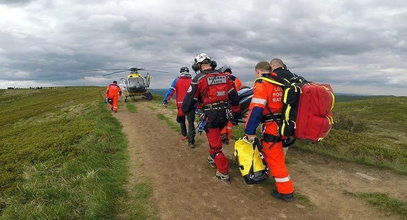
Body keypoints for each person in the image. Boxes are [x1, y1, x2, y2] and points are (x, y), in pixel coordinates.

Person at [182, 53, 241, 183]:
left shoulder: (198, 79)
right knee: (214, 136)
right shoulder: (225, 77)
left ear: (197, 66)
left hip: (211, 116)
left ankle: (223, 172)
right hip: (225, 115)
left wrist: (185, 110)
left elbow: (189, 100)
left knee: (215, 145)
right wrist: (236, 110)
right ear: (212, 63)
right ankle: (212, 156)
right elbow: (234, 96)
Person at [244, 61, 294, 201]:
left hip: (272, 126)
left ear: (258, 71)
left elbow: (257, 108)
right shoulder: (278, 83)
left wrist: (250, 130)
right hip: (282, 125)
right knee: (271, 153)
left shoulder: (262, 84)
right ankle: (267, 175)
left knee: (275, 159)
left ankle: (286, 191)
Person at [162, 67, 196, 147]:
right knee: (191, 123)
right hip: (191, 105)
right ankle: (191, 142)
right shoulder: (193, 80)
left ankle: (184, 135)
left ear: (180, 72)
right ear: (188, 72)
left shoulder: (177, 80)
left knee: (182, 121)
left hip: (180, 105)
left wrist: (165, 100)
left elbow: (171, 91)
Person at [219, 65, 243, 144]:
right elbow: (239, 91)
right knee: (230, 121)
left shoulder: (220, 78)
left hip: (223, 102)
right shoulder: (236, 79)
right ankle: (228, 138)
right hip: (234, 103)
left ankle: (222, 135)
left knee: (222, 119)